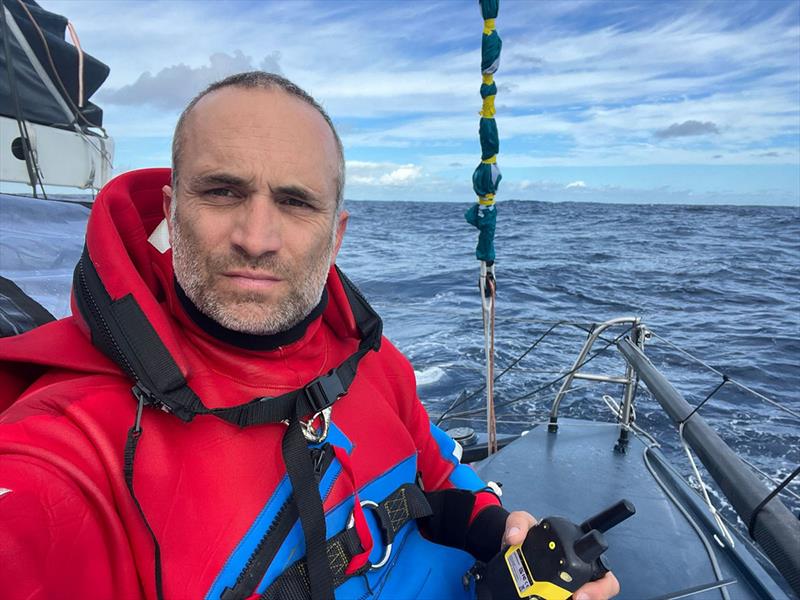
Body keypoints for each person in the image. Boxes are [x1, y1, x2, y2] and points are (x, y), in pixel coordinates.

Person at [0, 72, 618, 600]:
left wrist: (500, 531)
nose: (257, 236)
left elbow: (434, 470)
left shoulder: (367, 359)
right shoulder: (71, 444)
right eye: (222, 191)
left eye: (295, 202)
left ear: (337, 233)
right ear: (170, 210)